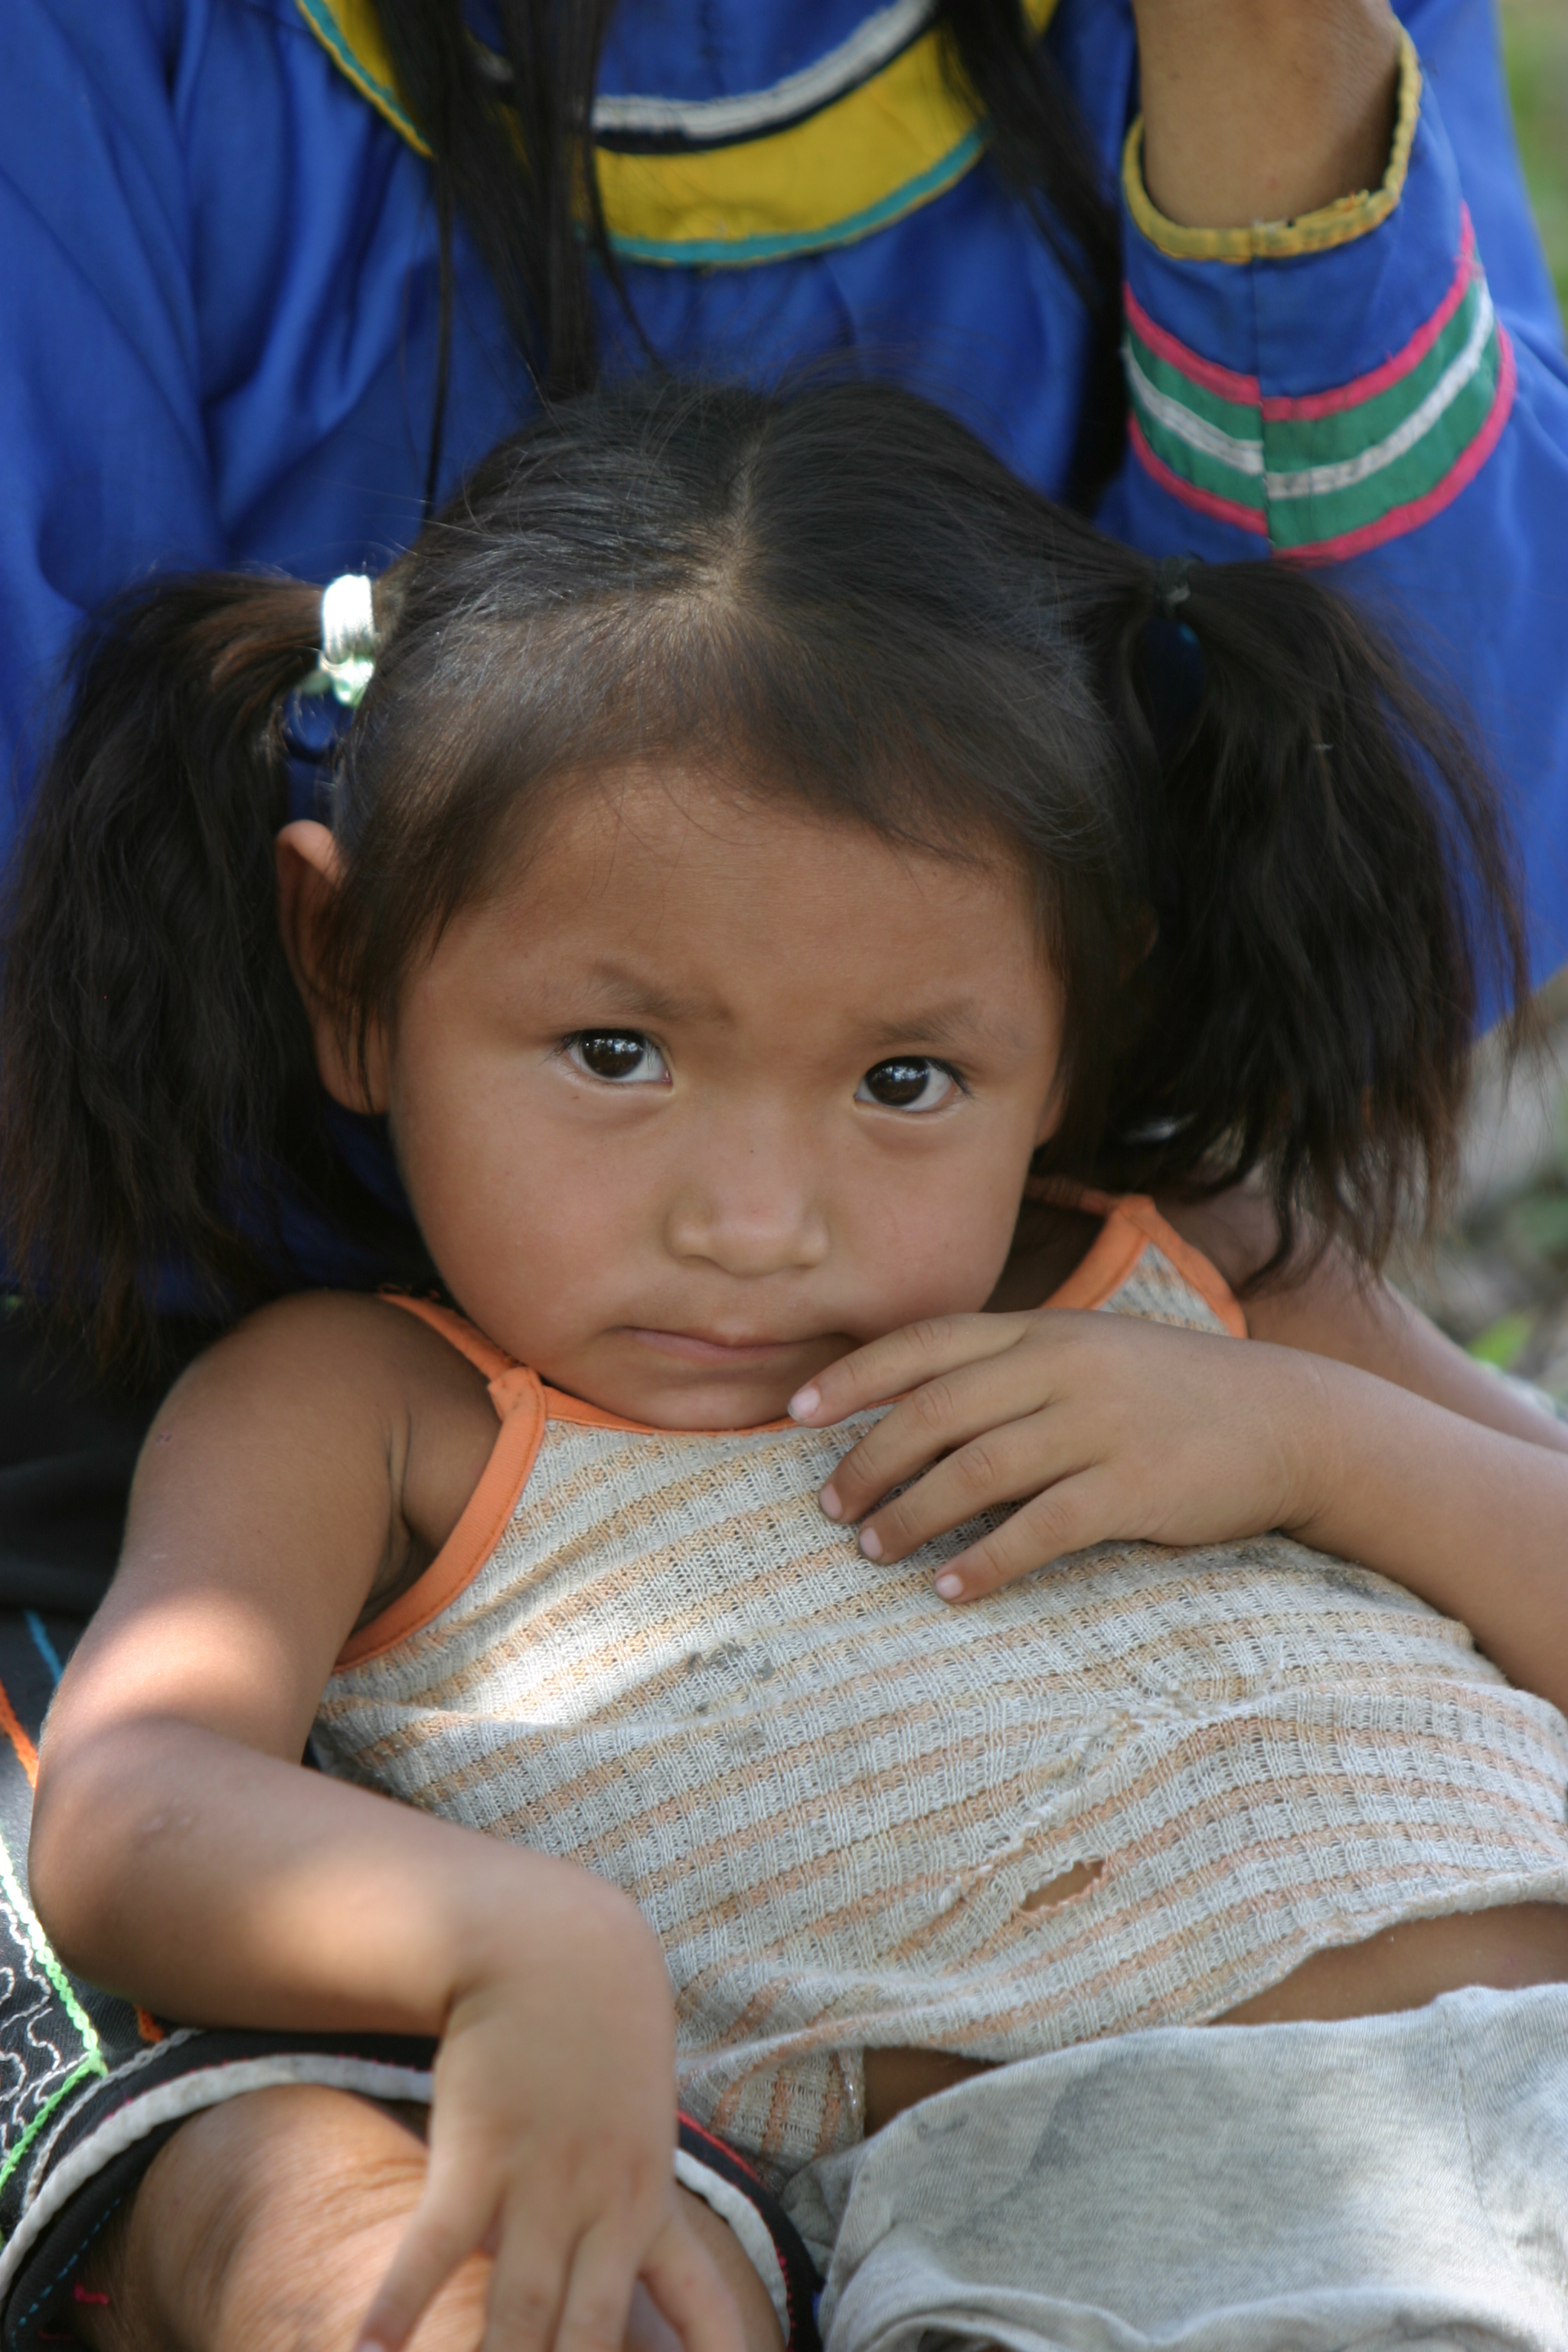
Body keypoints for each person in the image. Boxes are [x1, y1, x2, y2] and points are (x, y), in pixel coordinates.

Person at [6, 378, 1568, 2351]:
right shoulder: (367, 1416)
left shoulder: (1206, 1273)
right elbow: (129, 1805)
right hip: (1118, 2239)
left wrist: (1320, 1447)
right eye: (617, 1054)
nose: (757, 1222)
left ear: (1074, 1026)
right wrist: (497, 1938)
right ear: (351, 972)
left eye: (905, 1079)